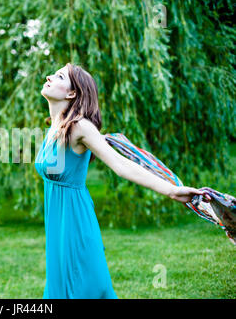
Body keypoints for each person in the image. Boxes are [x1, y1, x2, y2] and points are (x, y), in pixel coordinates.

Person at [34, 63, 211, 299]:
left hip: (76, 223)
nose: (49, 76)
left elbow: (121, 165)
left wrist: (171, 190)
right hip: (57, 226)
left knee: (85, 289)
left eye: (59, 76)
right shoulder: (53, 128)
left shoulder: (80, 128)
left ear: (71, 93)